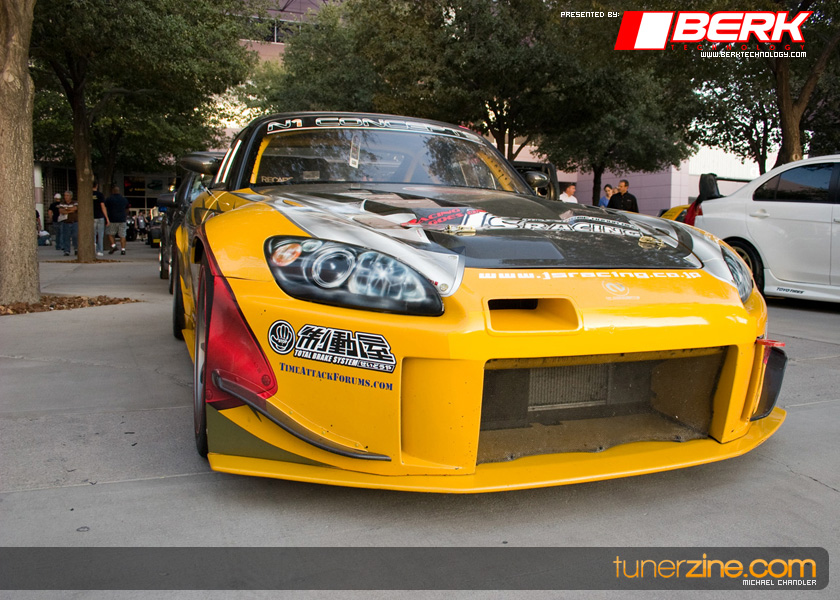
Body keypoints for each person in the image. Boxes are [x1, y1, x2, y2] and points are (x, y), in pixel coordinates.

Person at [105, 185, 131, 255]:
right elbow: (127, 209)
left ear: (113, 191)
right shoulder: (124, 199)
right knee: (122, 235)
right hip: (122, 219)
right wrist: (125, 215)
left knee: (110, 234)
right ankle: (123, 249)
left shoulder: (109, 199)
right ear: (119, 191)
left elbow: (105, 208)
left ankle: (114, 245)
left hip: (112, 219)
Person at [58, 191, 79, 256]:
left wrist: (66, 209)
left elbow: (75, 208)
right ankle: (67, 250)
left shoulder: (75, 202)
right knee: (66, 237)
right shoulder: (62, 203)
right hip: (66, 222)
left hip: (74, 222)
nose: (66, 197)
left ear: (71, 196)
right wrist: (70, 211)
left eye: (67, 195)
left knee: (75, 236)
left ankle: (76, 248)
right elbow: (61, 211)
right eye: (65, 195)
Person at [92, 180, 109, 256]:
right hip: (100, 217)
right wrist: (107, 218)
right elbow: (103, 206)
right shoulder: (100, 195)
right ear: (97, 186)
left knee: (93, 235)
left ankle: (93, 248)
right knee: (100, 235)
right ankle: (100, 251)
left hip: (92, 217)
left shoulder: (88, 194)